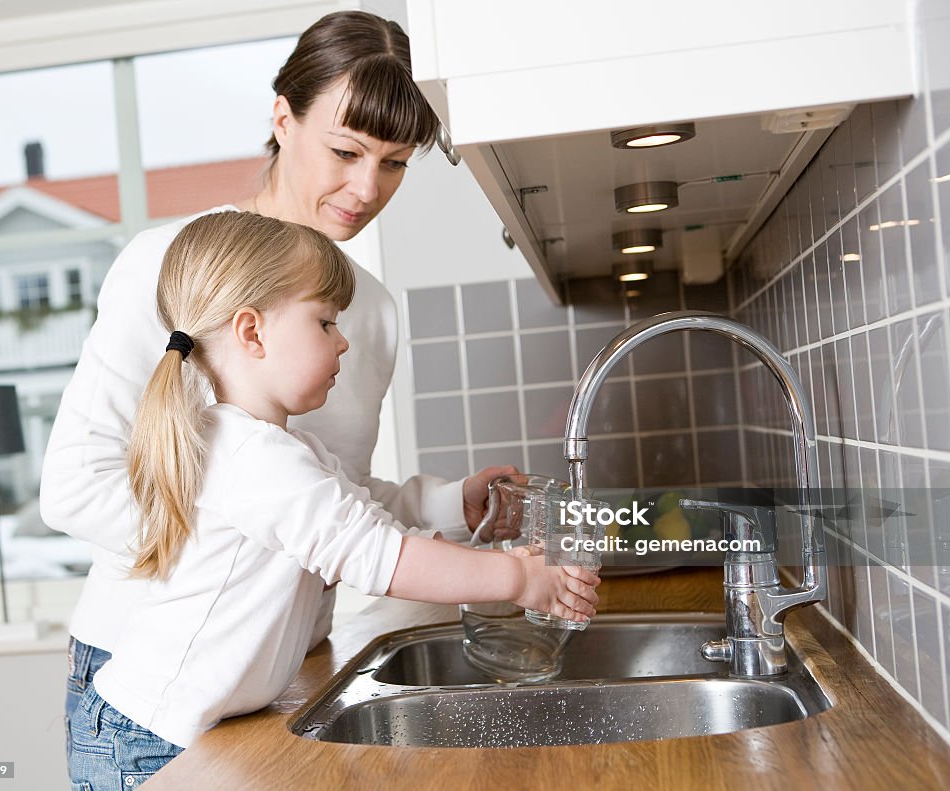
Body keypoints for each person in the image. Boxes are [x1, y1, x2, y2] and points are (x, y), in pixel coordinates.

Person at [41, 9, 519, 736]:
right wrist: (235, 552)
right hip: (155, 673)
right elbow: (76, 487)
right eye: (345, 150)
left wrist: (454, 503)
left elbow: (329, 497)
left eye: (393, 163)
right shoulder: (172, 264)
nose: (366, 188)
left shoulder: (371, 310)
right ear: (283, 118)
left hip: (284, 669)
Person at [65, 212, 599, 785]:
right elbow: (378, 557)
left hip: (176, 728)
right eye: (325, 322)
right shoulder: (255, 459)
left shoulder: (283, 448)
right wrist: (519, 579)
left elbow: (366, 519)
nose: (343, 340)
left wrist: (462, 511)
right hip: (146, 743)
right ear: (252, 332)